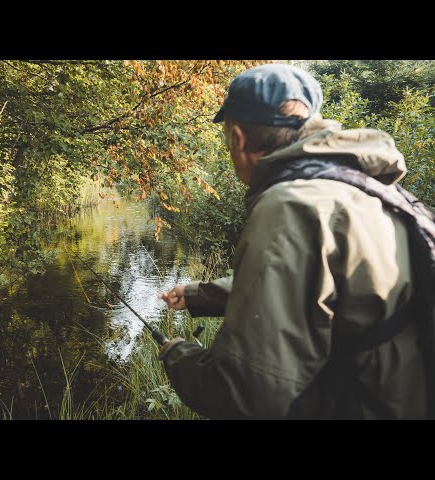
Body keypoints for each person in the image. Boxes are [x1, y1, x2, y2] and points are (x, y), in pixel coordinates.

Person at [157, 63, 426, 419]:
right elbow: (323, 287)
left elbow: (246, 394)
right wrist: (198, 295)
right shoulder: (366, 188)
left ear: (237, 138)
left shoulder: (291, 206)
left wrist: (176, 354)